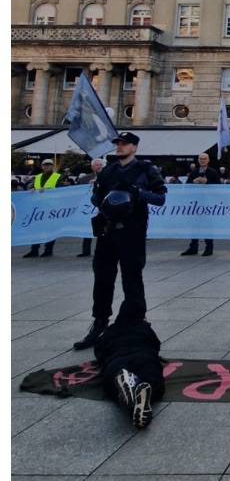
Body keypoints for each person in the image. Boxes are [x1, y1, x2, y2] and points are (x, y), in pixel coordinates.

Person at [74, 133, 167, 350]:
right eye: (117, 144)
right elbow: (97, 196)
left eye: (124, 144)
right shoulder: (109, 169)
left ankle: (134, 322)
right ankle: (99, 322)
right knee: (102, 278)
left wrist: (138, 193)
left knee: (132, 278)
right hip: (108, 230)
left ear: (134, 147)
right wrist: (100, 198)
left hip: (131, 232)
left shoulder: (145, 169)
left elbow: (160, 198)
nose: (119, 147)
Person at [95, 318, 164, 430]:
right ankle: (142, 387)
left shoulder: (109, 331)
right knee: (153, 379)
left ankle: (125, 381)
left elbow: (99, 351)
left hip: (116, 358)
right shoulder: (145, 328)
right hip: (143, 354)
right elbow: (156, 345)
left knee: (111, 381)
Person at [178, 152, 221, 257]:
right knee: (194, 224)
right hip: (196, 203)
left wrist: (207, 182)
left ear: (208, 160)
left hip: (208, 202)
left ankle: (209, 247)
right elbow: (187, 186)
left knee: (207, 225)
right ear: (198, 160)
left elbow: (219, 187)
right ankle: (193, 247)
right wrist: (194, 181)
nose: (202, 160)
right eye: (201, 159)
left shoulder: (213, 172)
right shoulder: (194, 172)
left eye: (204, 159)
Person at [22, 159, 62, 258]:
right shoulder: (38, 177)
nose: (47, 166)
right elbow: (36, 187)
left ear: (53, 166)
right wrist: (32, 189)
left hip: (51, 207)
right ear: (42, 166)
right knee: (35, 229)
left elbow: (61, 191)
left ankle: (48, 250)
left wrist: (47, 190)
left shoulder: (58, 177)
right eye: (45, 165)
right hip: (38, 207)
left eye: (49, 165)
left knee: (50, 229)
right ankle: (34, 250)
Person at [75, 157, 106, 258]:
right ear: (92, 167)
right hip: (87, 208)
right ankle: (85, 251)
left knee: (103, 230)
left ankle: (103, 251)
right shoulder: (84, 179)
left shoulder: (108, 177)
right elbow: (77, 192)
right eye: (97, 165)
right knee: (86, 229)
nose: (99, 166)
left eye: (100, 165)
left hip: (102, 207)